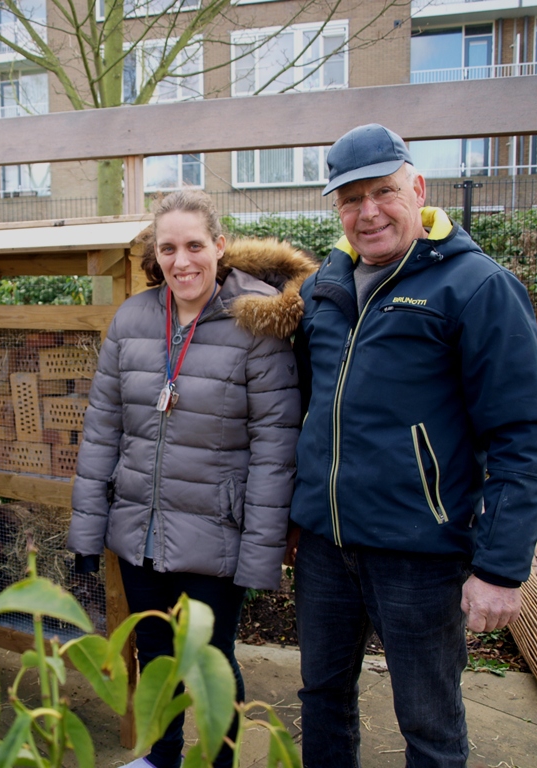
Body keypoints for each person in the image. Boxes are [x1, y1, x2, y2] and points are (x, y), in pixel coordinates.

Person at [290, 124, 537, 767]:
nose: (369, 212)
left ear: (418, 188)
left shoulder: (475, 287)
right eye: (350, 199)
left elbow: (522, 437)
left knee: (429, 725)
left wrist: (500, 569)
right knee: (322, 698)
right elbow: (308, 410)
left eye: (383, 192)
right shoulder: (324, 287)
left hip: (420, 552)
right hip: (327, 548)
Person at [68, 189, 317, 768]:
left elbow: (275, 449)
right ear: (156, 254)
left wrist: (260, 553)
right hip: (140, 528)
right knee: (157, 652)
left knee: (208, 660)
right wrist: (87, 529)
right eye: (169, 248)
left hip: (217, 533)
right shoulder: (133, 317)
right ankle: (163, 755)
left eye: (195, 246)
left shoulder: (255, 321)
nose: (183, 261)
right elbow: (102, 429)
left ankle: (220, 761)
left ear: (220, 246)